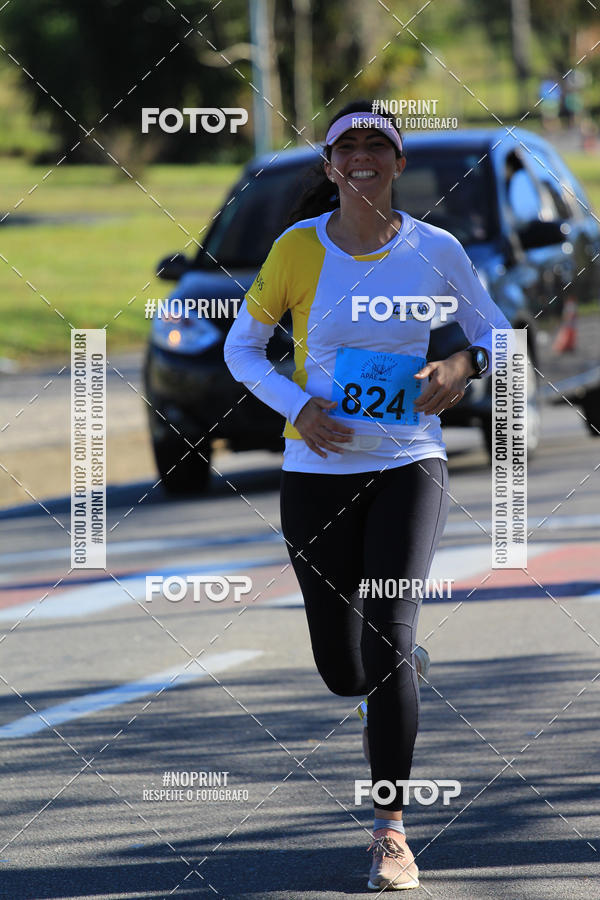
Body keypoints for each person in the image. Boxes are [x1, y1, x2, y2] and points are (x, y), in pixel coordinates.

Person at [224, 99, 511, 891]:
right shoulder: (297, 250)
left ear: (396, 164)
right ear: (328, 166)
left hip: (408, 464)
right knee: (342, 670)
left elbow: (492, 331)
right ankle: (390, 672)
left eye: (375, 147)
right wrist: (298, 406)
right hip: (316, 475)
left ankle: (391, 831)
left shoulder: (437, 249)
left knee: (387, 641)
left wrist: (460, 369)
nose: (361, 158)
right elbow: (242, 346)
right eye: (346, 147)